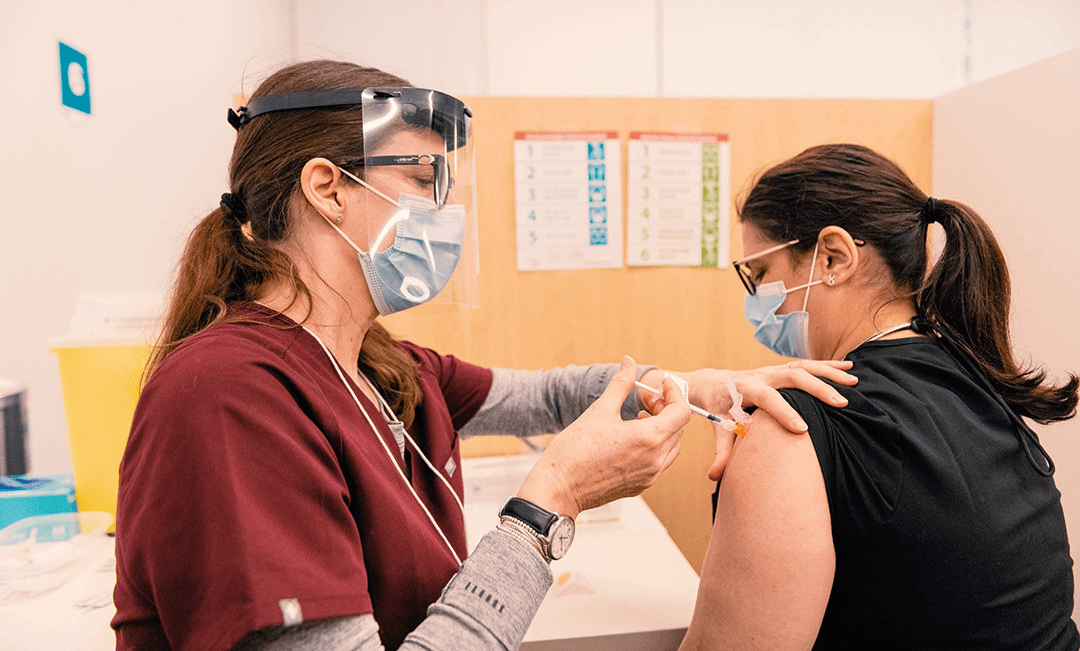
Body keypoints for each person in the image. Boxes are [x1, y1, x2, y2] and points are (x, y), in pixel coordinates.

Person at [112, 60, 856, 651]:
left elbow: (546, 397)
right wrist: (548, 506)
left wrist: (698, 387)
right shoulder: (227, 395)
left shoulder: (377, 365)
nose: (446, 215)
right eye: (424, 183)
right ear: (326, 189)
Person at [681, 143, 1080, 650]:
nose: (753, 298)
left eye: (757, 274)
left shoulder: (794, 428)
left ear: (833, 257)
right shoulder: (983, 387)